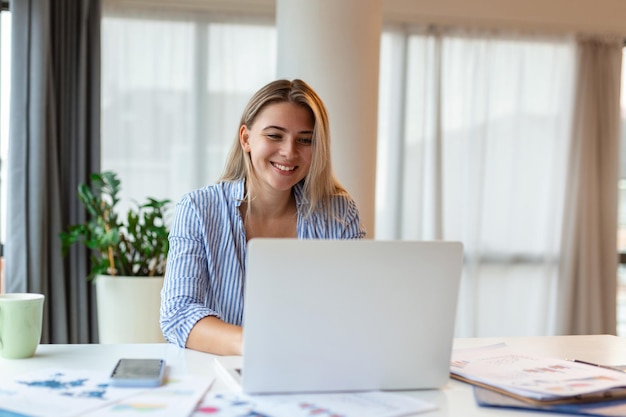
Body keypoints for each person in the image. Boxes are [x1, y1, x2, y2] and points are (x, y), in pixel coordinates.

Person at [160, 79, 366, 355]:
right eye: (274, 135)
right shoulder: (198, 209)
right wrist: (258, 345)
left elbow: (358, 308)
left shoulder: (339, 214)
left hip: (317, 370)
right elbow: (178, 313)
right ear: (246, 138)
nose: (289, 152)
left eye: (305, 140)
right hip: (225, 374)